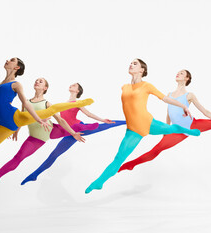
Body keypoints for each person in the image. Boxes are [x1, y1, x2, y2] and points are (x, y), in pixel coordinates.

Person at [85, 59, 200, 193]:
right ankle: (99, 182)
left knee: (170, 129)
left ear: (142, 70)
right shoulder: (124, 87)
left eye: (135, 63)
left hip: (148, 122)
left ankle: (189, 131)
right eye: (130, 63)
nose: (131, 64)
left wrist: (183, 106)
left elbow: (165, 98)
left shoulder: (147, 85)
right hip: (133, 130)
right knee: (119, 158)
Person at [118, 69, 211, 172]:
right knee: (156, 150)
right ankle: (131, 164)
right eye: (178, 72)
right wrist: (166, 130)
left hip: (192, 124)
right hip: (176, 131)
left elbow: (205, 111)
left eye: (181, 73)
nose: (178, 74)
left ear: (186, 79)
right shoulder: (169, 94)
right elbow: (168, 113)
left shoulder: (189, 95)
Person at [0, 78, 98, 184]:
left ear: (45, 88)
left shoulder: (46, 103)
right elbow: (22, 119)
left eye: (40, 81)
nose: (37, 82)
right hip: (36, 138)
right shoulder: (26, 102)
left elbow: (61, 120)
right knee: (18, 158)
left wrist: (73, 134)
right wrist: (16, 131)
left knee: (77, 127)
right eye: (36, 80)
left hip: (53, 130)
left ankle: (90, 126)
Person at [21, 83, 126, 185]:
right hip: (70, 133)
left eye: (74, 85)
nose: (71, 85)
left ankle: (126, 122)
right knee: (54, 155)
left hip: (80, 128)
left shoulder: (77, 103)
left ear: (78, 91)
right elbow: (59, 118)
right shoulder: (63, 104)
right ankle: (34, 175)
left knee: (103, 126)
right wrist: (43, 119)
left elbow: (88, 114)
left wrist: (102, 119)